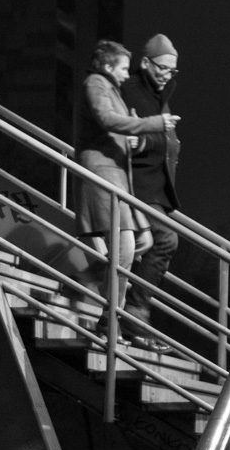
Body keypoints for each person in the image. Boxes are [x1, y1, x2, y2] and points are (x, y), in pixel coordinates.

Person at [75, 40, 176, 310]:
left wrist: (138, 135)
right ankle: (111, 319)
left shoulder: (111, 88)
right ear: (108, 66)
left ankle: (90, 277)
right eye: (122, 68)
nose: (125, 74)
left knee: (143, 240)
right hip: (104, 172)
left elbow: (120, 124)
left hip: (118, 174)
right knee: (127, 247)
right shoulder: (96, 83)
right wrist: (152, 124)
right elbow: (107, 120)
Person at [118, 34, 182, 339]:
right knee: (166, 240)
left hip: (157, 190)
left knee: (149, 245)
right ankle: (135, 312)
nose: (167, 75)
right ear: (145, 63)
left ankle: (96, 286)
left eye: (172, 71)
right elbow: (123, 129)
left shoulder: (160, 96)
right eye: (162, 68)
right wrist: (141, 140)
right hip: (138, 185)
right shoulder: (130, 91)